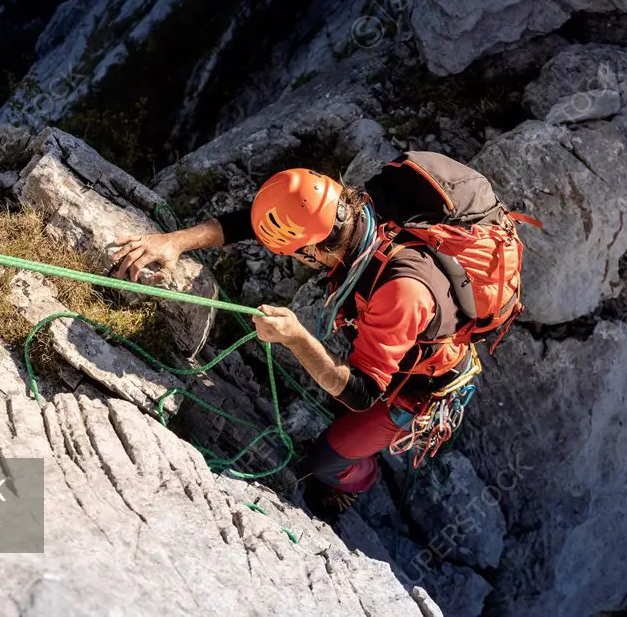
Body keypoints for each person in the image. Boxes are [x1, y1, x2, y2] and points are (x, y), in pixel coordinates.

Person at [110, 163, 497, 521]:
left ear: (313, 249)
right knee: (334, 395)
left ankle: (357, 479)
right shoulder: (357, 210)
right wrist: (176, 242)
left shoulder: (400, 292)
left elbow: (362, 394)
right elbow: (256, 222)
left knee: (323, 462)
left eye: (297, 255)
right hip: (391, 342)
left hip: (416, 390)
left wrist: (296, 339)